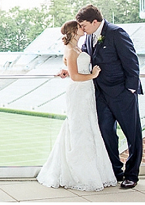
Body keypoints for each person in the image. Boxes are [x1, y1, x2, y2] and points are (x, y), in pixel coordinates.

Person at [38, 20, 117, 192]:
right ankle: (79, 172)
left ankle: (92, 170)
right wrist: (93, 74)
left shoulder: (77, 48)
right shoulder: (70, 50)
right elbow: (75, 77)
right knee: (79, 128)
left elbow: (72, 70)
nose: (82, 29)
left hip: (86, 92)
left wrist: (70, 71)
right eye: (79, 27)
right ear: (73, 31)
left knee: (87, 127)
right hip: (79, 92)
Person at [72, 5, 143, 189]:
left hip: (122, 93)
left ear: (95, 22)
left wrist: (131, 90)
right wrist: (67, 71)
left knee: (132, 134)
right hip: (101, 94)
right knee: (106, 132)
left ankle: (132, 175)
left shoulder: (116, 33)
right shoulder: (88, 36)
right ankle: (115, 170)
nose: (82, 28)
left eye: (84, 24)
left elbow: (131, 61)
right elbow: (86, 62)